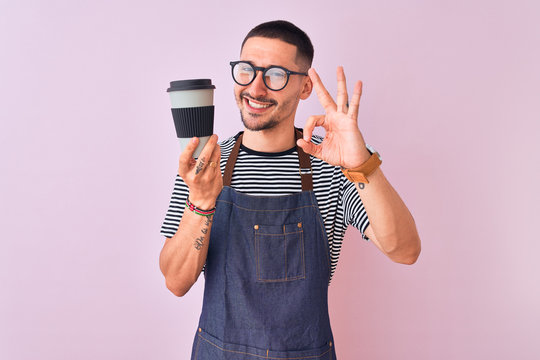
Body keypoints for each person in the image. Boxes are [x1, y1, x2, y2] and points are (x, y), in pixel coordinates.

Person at [159, 20, 420, 360]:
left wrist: (362, 165)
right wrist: (202, 202)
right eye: (246, 70)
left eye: (276, 75)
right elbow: (176, 282)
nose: (256, 88)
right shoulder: (206, 164)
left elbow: (405, 250)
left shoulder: (335, 165)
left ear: (305, 87)